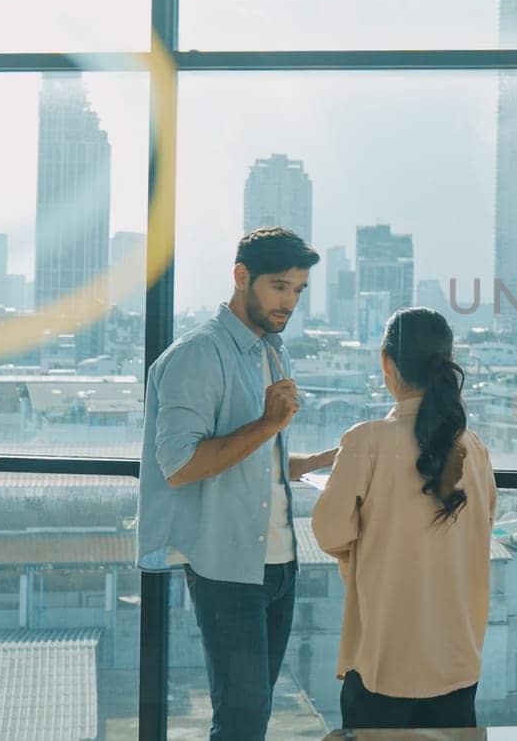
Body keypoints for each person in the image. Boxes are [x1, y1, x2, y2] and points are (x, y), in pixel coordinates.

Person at [137, 227, 335, 740]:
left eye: (297, 290)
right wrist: (269, 425)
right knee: (242, 720)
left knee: (256, 714)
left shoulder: (273, 351)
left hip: (281, 562)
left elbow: (258, 463)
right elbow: (179, 465)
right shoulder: (198, 355)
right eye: (278, 287)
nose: (289, 302)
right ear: (241, 277)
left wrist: (326, 458)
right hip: (226, 568)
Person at [312, 307, 497, 730]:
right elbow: (482, 529)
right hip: (458, 661)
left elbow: (328, 532)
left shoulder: (366, 442)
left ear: (386, 363)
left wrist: (364, 545)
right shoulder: (475, 449)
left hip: (384, 661)